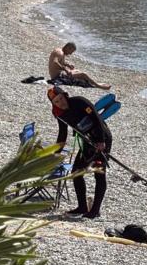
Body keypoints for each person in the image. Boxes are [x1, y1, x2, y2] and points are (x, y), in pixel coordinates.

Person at [47, 86, 112, 219]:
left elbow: (97, 119)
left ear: (65, 95)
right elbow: (62, 133)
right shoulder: (59, 113)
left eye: (61, 99)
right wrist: (56, 153)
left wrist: (101, 141)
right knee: (76, 172)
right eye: (56, 102)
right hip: (87, 142)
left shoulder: (79, 102)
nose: (60, 103)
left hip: (102, 138)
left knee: (99, 173)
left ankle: (94, 210)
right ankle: (82, 207)